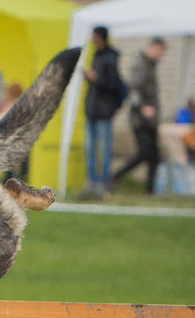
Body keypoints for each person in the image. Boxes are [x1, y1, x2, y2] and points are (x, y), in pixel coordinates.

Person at [112, 37, 167, 194]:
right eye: (161, 51)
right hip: (140, 120)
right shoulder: (141, 64)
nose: (161, 56)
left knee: (155, 156)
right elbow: (134, 89)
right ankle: (115, 176)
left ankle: (150, 190)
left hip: (151, 120)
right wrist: (143, 107)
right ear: (154, 47)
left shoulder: (151, 65)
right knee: (145, 153)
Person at [82, 26, 122, 195]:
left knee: (104, 149)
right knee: (90, 148)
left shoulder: (110, 59)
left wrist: (96, 78)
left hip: (103, 112)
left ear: (100, 37)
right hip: (91, 110)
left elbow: (114, 85)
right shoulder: (95, 56)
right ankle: (92, 181)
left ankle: (104, 182)